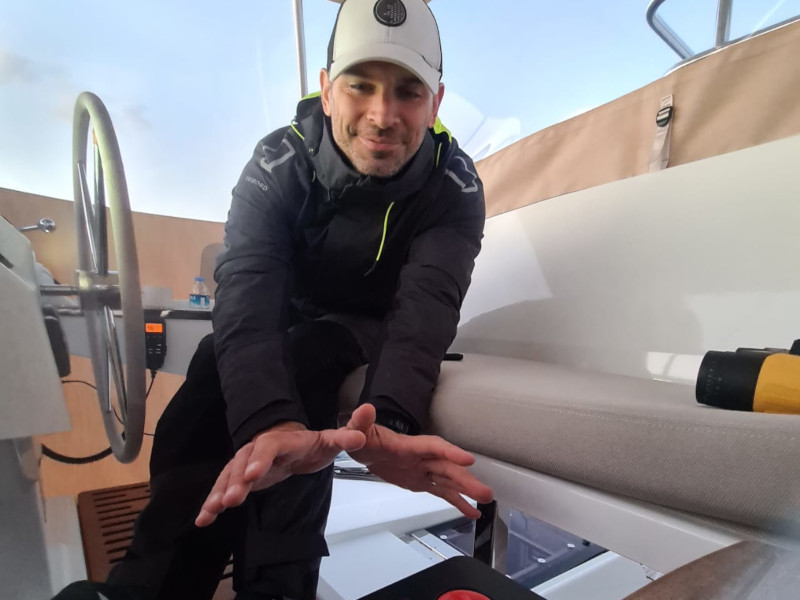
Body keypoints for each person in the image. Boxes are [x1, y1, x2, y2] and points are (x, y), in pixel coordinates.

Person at [54, 0, 491, 598]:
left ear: (435, 103)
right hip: (288, 310)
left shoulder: (454, 184)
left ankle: (278, 585)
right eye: (360, 85)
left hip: (371, 323)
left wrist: (389, 420)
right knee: (212, 363)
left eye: (408, 92)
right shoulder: (277, 160)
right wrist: (269, 422)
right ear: (327, 91)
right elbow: (247, 288)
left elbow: (426, 307)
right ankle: (149, 583)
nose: (382, 115)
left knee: (310, 353)